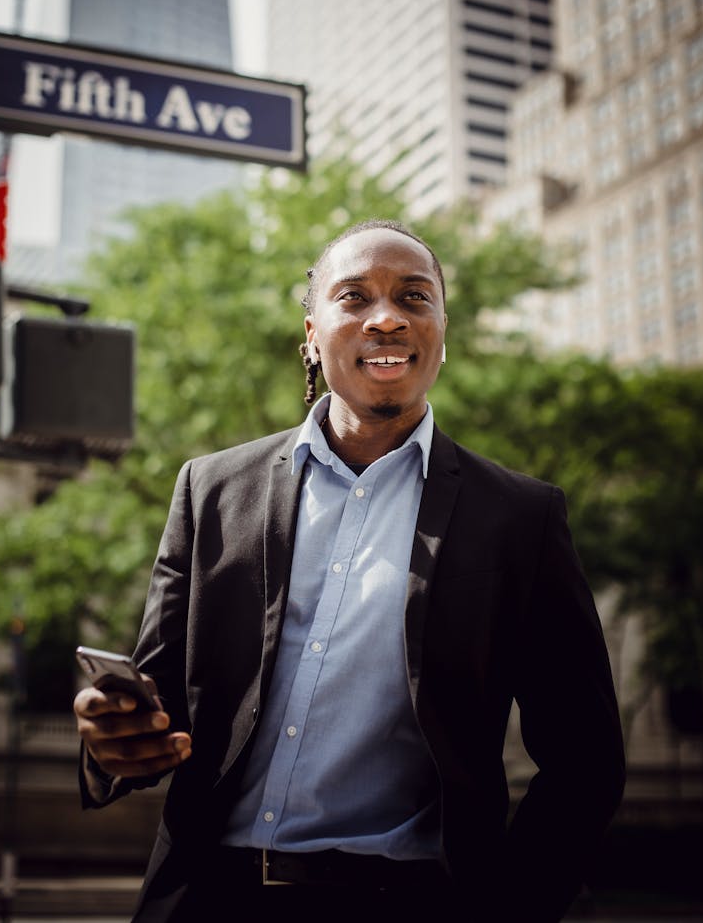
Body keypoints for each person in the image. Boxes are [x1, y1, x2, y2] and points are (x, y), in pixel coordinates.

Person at [74, 219, 625, 922]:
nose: (388, 317)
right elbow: (157, 712)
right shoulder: (211, 490)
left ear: (442, 332)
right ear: (310, 333)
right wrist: (113, 740)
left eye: (414, 297)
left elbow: (587, 763)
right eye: (355, 295)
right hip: (208, 899)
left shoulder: (521, 519)